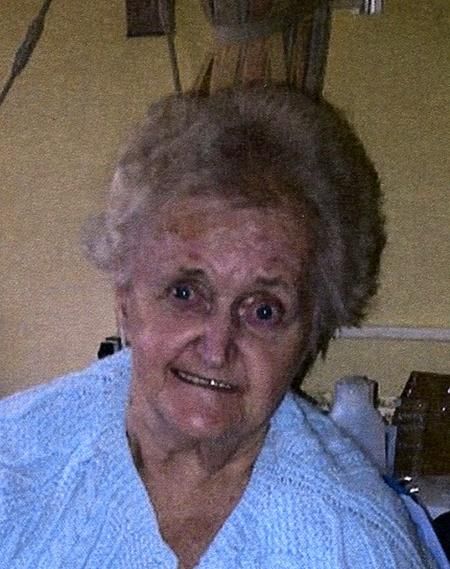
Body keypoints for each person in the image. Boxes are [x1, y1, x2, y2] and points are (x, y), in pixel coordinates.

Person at [0, 87, 437, 568]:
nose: (216, 348)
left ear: (310, 334)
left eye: (263, 311)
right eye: (185, 293)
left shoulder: (354, 544)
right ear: (125, 298)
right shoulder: (15, 464)